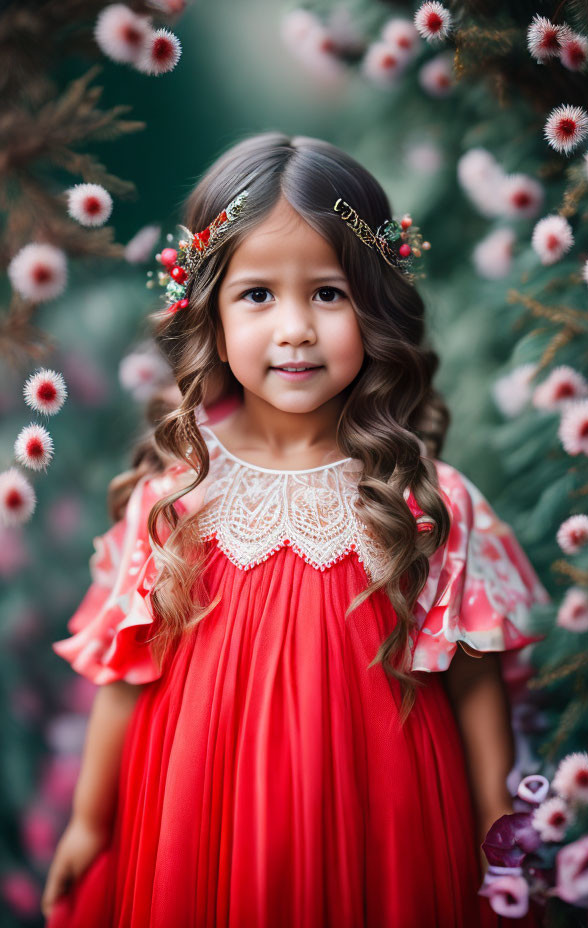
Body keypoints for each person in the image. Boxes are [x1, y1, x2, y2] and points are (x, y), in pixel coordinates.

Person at [41, 132, 550, 927]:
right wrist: (90, 822)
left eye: (328, 293)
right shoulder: (178, 498)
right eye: (257, 295)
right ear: (207, 308)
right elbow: (124, 680)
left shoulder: (424, 499)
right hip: (200, 812)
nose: (295, 329)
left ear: (374, 303)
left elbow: (474, 680)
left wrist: (496, 823)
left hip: (386, 819)